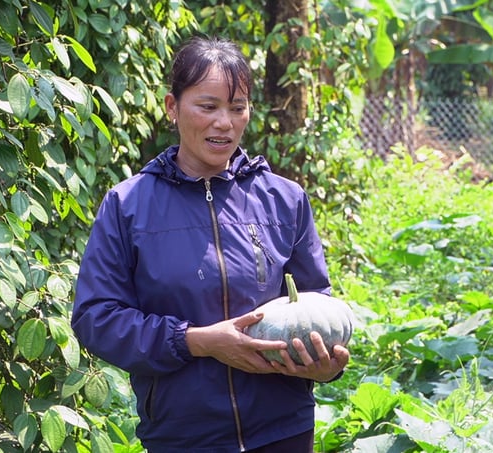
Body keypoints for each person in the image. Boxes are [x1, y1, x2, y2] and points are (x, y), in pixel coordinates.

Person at [71, 35, 350, 453]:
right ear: (172, 106)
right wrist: (196, 341)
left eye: (237, 108)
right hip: (182, 436)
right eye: (208, 106)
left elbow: (314, 304)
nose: (225, 122)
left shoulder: (285, 199)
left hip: (283, 431)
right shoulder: (128, 206)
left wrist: (325, 364)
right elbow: (96, 318)